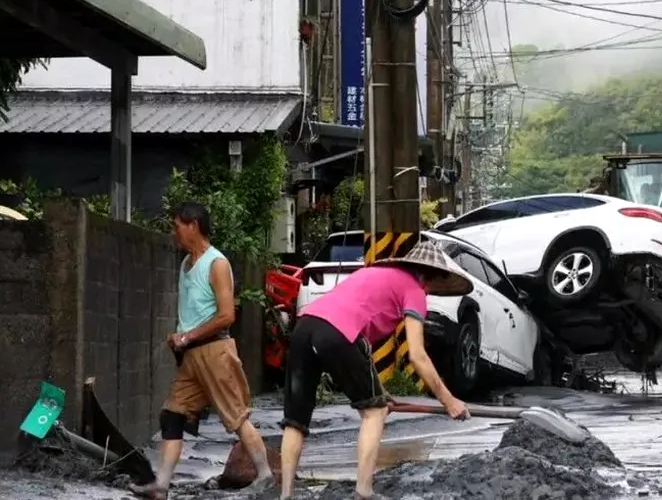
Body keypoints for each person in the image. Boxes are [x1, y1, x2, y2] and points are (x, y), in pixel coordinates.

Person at [279, 239, 473, 500]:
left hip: (305, 327)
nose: (429, 293)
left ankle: (285, 495)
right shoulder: (415, 290)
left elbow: (359, 345)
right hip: (337, 333)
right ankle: (364, 491)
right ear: (433, 278)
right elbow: (417, 355)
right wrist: (449, 401)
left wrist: (379, 391)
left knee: (296, 420)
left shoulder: (373, 273)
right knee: (375, 412)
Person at [131, 203, 275, 500]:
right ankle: (161, 486)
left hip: (215, 351)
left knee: (236, 416)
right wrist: (181, 336)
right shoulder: (187, 263)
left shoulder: (216, 263)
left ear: (193, 225)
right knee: (172, 416)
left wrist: (187, 336)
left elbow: (227, 315)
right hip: (192, 357)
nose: (174, 232)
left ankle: (265, 476)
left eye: (177, 226)